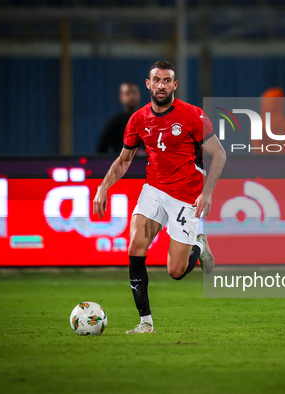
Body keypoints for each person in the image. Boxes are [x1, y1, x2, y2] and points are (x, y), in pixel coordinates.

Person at [93, 60, 226, 334]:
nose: (161, 85)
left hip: (186, 194)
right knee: (135, 246)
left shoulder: (193, 116)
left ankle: (199, 246)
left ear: (174, 85)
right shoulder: (138, 119)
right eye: (157, 80)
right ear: (148, 84)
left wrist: (207, 192)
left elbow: (220, 154)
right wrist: (102, 188)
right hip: (153, 189)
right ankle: (145, 323)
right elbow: (123, 161)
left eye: (167, 80)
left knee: (175, 271)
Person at [96, 82, 146, 156]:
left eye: (134, 93)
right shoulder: (114, 122)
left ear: (139, 95)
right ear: (121, 97)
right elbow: (100, 149)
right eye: (127, 94)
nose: (131, 97)